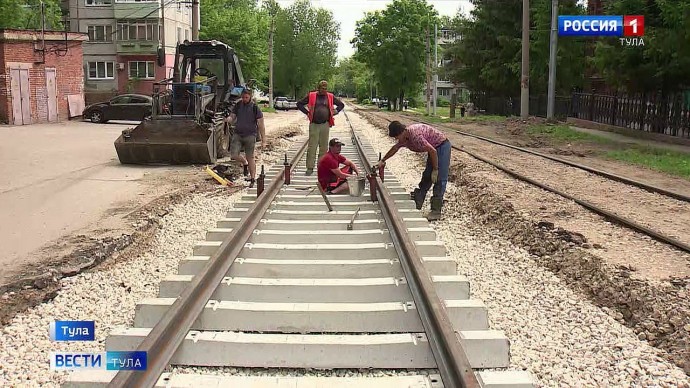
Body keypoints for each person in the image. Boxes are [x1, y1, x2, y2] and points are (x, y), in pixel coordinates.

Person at [375, 121, 451, 221]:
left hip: (442, 146)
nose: (396, 139)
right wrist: (382, 160)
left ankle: (436, 210)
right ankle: (418, 200)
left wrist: (436, 169)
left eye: (396, 136)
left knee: (439, 178)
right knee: (427, 175)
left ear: (402, 132)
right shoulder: (405, 138)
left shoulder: (415, 137)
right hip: (434, 149)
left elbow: (433, 151)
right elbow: (395, 148)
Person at [297, 80, 345, 176]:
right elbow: (299, 104)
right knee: (312, 147)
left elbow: (341, 105)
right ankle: (310, 168)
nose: (324, 90)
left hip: (325, 124)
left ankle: (321, 167)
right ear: (318, 88)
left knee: (323, 147)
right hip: (314, 124)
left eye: (326, 88)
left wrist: (335, 111)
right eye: (322, 88)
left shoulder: (330, 96)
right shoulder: (312, 95)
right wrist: (307, 112)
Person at [225, 88, 266, 188]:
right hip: (238, 134)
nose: (244, 99)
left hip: (250, 135)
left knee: (250, 157)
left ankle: (252, 178)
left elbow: (261, 124)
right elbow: (232, 116)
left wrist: (264, 140)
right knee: (234, 155)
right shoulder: (238, 105)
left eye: (246, 97)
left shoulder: (255, 107)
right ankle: (244, 162)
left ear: (250, 97)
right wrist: (228, 119)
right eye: (243, 97)